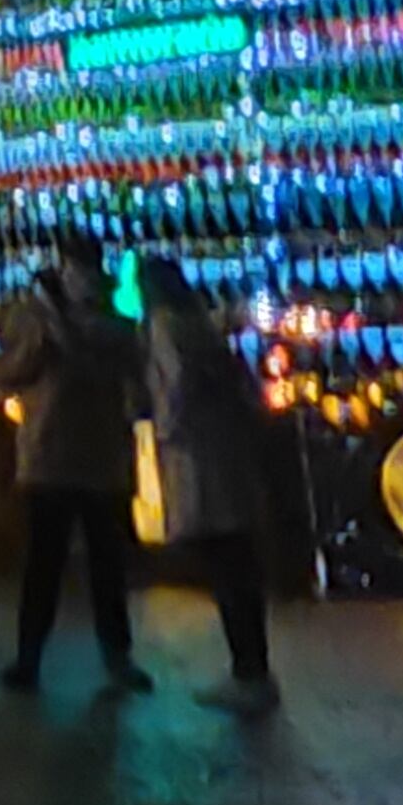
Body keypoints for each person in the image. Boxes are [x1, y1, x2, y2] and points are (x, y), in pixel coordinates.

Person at [0, 229, 151, 693]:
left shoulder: (112, 315)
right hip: (54, 455)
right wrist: (40, 340)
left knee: (104, 563)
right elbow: (9, 372)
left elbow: (123, 364)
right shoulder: (37, 315)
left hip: (92, 456)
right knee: (46, 563)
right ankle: (30, 656)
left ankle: (114, 656)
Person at [135, 255, 279, 714]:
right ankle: (253, 667)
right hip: (225, 449)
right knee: (237, 559)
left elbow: (174, 383)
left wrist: (163, 430)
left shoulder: (162, 325)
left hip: (197, 454)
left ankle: (248, 671)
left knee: (225, 562)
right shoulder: (198, 321)